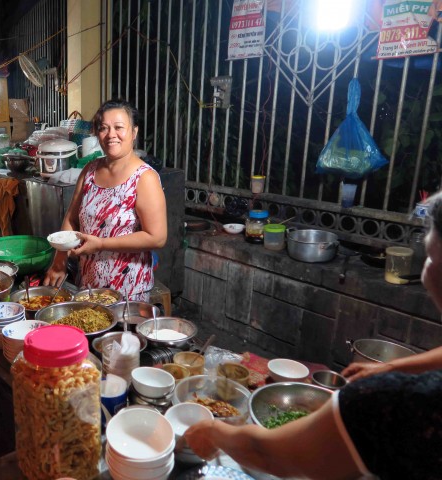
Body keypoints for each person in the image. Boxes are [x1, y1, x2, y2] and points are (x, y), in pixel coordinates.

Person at [184, 190, 442, 480]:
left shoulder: (391, 401)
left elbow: (277, 457)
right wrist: (394, 366)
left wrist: (217, 432)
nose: (424, 266)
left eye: (430, 257)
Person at [43, 100, 167, 299]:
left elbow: (157, 237)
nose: (111, 135)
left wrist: (101, 244)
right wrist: (59, 261)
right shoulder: (89, 170)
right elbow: (71, 219)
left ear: (134, 132)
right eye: (103, 128)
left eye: (119, 127)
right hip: (88, 283)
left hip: (128, 289)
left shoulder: (145, 178)